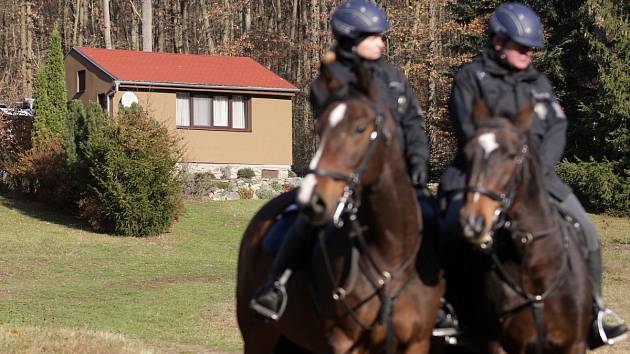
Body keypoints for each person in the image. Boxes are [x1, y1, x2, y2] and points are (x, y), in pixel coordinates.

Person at [249, 0, 458, 335]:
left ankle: (443, 302)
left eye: (381, 37)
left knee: (434, 219)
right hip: (345, 176)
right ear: (350, 38)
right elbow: (338, 124)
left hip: (395, 179)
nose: (382, 43)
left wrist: (418, 165)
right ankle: (277, 284)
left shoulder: (392, 76)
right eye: (373, 37)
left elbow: (413, 124)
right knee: (310, 216)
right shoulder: (331, 78)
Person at [438, 2, 627, 348]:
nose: (528, 53)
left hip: (537, 180)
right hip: (480, 176)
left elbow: (557, 127)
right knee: (450, 228)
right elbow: (470, 132)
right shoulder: (471, 78)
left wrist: (537, 171)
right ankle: (449, 310)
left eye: (532, 48)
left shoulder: (538, 83)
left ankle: (595, 311)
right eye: (521, 46)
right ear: (498, 43)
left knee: (586, 230)